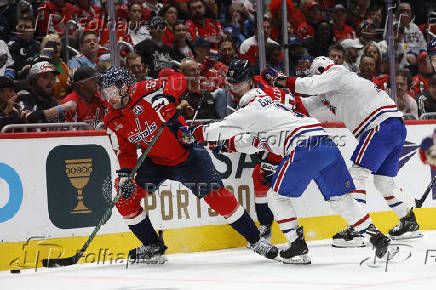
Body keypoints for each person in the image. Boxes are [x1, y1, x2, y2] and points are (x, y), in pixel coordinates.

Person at [188, 59, 395, 263]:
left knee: (276, 197)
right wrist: (228, 145)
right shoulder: (274, 109)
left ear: (249, 86)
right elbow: (254, 141)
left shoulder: (249, 110)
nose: (236, 90)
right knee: (341, 200)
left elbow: (219, 129)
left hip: (303, 147)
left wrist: (193, 132)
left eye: (239, 85)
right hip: (326, 144)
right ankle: (376, 237)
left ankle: (296, 245)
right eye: (233, 85)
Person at [99, 66, 278, 264]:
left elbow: (177, 78)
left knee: (219, 198)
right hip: (154, 162)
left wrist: (167, 97)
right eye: (105, 93)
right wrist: (125, 176)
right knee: (124, 199)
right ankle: (152, 245)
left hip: (187, 155)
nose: (109, 97)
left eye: (112, 91)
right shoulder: (112, 119)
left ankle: (256, 240)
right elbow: (125, 151)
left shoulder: (146, 89)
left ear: (124, 87)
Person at [275, 56, 422, 243]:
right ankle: (408, 220)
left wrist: (280, 80)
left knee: (357, 175)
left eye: (315, 76)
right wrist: (274, 92)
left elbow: (309, 86)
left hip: (379, 126)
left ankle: (358, 230)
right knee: (383, 181)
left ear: (321, 72)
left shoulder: (338, 73)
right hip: (394, 126)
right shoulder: (333, 92)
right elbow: (303, 106)